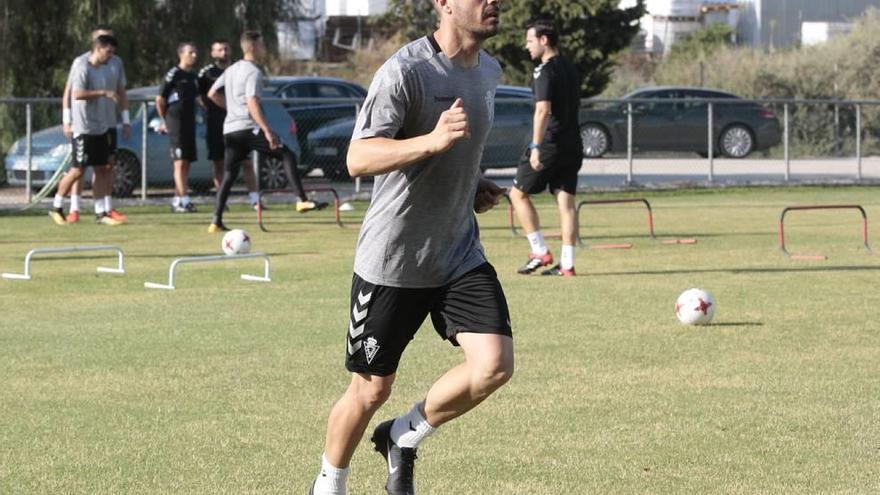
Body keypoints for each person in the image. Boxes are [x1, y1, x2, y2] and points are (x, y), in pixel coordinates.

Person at [308, 0, 511, 493]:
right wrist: (432, 143)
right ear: (443, 3)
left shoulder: (490, 71)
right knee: (371, 389)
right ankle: (328, 484)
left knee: (494, 366)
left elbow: (452, 154)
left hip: (458, 252)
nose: (494, 2)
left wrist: (471, 182)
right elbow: (358, 157)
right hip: (393, 261)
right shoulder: (406, 71)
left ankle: (404, 435)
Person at [207, 31, 323, 233]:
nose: (264, 49)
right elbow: (252, 102)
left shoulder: (232, 69)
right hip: (246, 128)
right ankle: (301, 200)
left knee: (229, 175)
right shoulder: (253, 72)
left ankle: (215, 221)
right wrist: (267, 130)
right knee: (286, 154)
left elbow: (212, 93)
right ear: (253, 47)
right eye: (262, 46)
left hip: (230, 130)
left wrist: (231, 109)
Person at [509, 18, 583, 276]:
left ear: (544, 40)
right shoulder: (570, 68)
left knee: (517, 194)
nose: (526, 46)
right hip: (573, 144)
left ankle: (539, 251)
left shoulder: (544, 70)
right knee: (566, 203)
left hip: (550, 144)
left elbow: (543, 110)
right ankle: (567, 264)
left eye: (530, 40)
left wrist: (536, 146)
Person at [50, 34, 127, 226]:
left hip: (101, 127)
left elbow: (121, 90)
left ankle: (101, 213)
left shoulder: (106, 67)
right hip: (83, 127)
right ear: (98, 48)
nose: (111, 56)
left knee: (102, 168)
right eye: (108, 52)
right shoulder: (82, 65)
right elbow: (77, 93)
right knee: (77, 170)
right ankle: (57, 206)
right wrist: (104, 93)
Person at [198, 39, 261, 209]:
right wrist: (225, 106)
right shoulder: (206, 73)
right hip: (216, 123)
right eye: (219, 50)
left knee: (246, 162)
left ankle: (255, 200)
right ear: (213, 53)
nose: (223, 53)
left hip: (239, 123)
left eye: (226, 49)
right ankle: (222, 201)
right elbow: (202, 95)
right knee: (219, 162)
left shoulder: (239, 69)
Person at [156, 41, 200, 213]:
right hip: (176, 123)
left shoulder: (193, 77)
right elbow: (160, 99)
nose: (194, 55)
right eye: (191, 52)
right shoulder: (173, 74)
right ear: (181, 54)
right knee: (179, 163)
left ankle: (177, 200)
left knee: (186, 163)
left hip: (190, 123)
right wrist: (164, 120)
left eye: (195, 52)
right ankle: (184, 200)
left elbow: (197, 98)